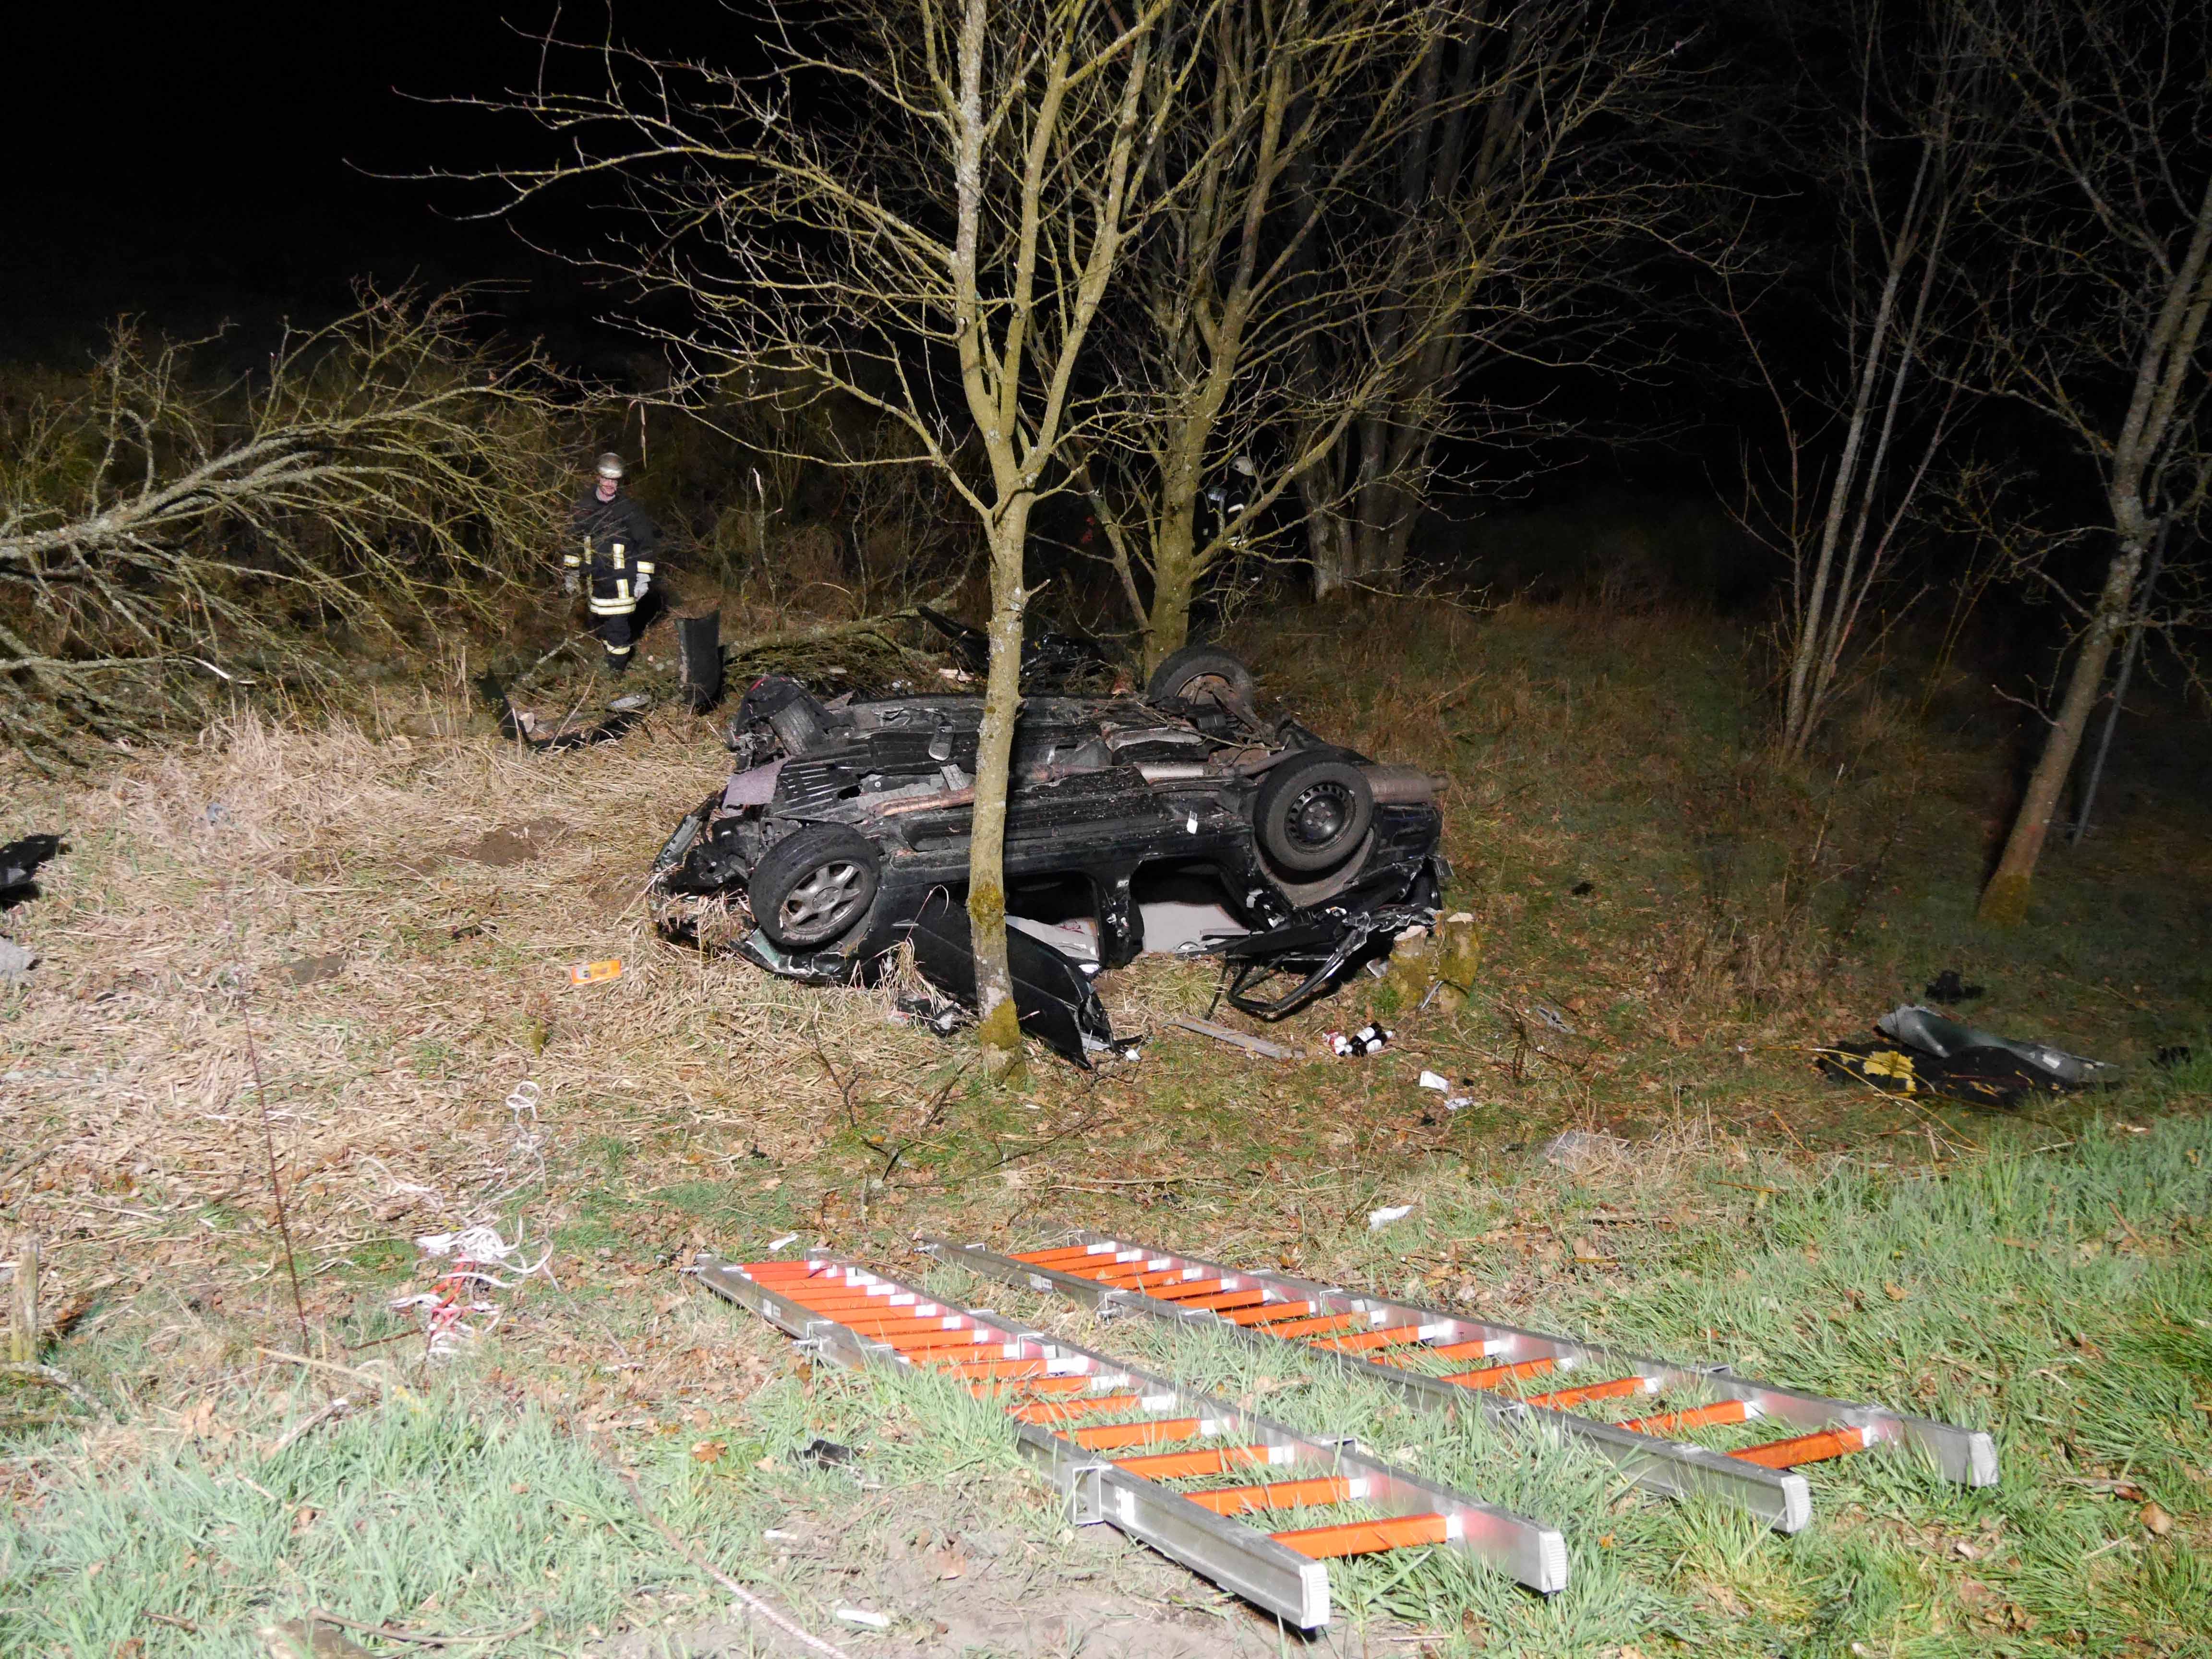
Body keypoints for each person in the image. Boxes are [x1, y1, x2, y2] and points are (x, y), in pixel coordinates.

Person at [563, 452, 661, 675]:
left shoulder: (629, 509)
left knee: (618, 631)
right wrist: (571, 573)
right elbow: (572, 540)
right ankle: (611, 662)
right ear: (598, 477)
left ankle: (615, 674)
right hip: (596, 581)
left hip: (622, 583)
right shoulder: (584, 506)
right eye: (606, 479)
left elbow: (646, 543)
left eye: (615, 481)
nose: (610, 485)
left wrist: (644, 578)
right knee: (604, 627)